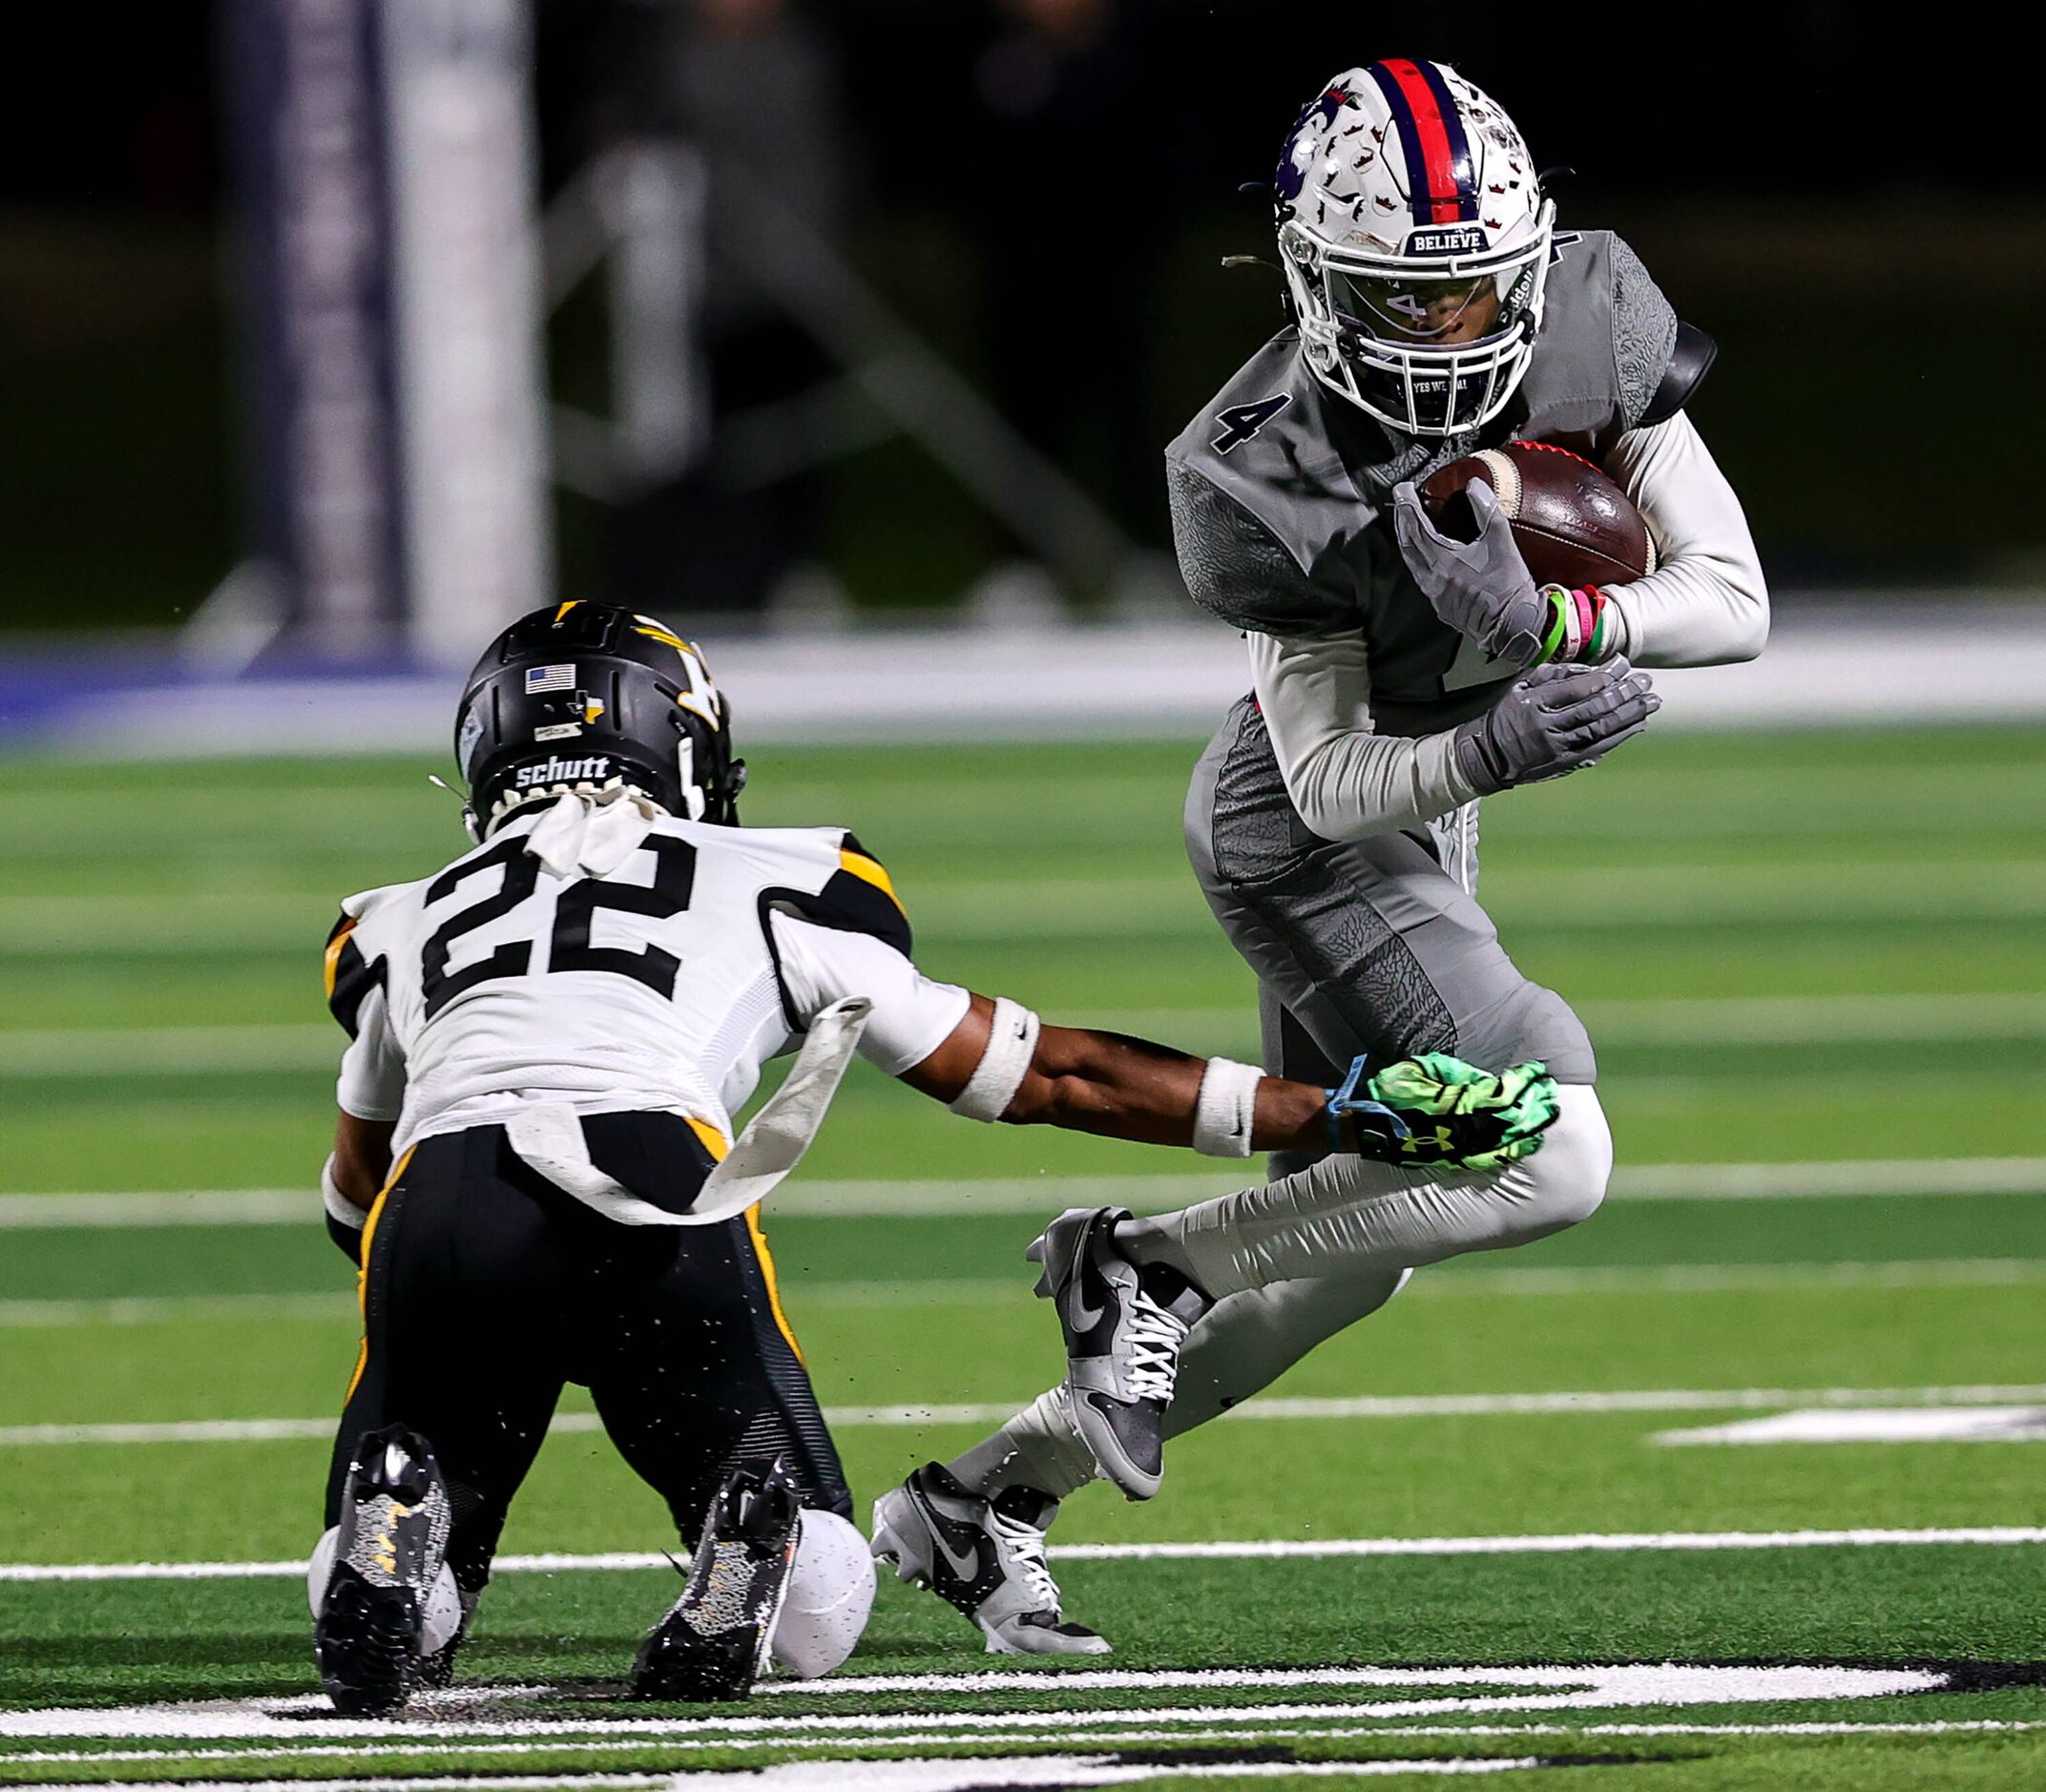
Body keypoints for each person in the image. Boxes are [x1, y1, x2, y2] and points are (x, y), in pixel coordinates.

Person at [879, 57, 1766, 1650]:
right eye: (1400, 302)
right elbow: (1333, 780)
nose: (1449, 334)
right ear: (1312, 281)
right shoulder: (1255, 469)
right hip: (1302, 826)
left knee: (1357, 1255)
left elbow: (1736, 597)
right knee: (1551, 1140)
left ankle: (977, 1500)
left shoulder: (1591, 314)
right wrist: (1495, 733)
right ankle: (1145, 1258)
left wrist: (1562, 615)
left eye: (1474, 293)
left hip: (1420, 818)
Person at [306, 599, 1557, 1712]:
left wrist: (462, 1336)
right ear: (680, 741)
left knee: (404, 1559)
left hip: (443, 1204)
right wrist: (1332, 1112)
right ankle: (755, 1551)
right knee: (819, 1588)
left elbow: (355, 1194)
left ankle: (407, 1527)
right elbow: (1037, 1072)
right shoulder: (784, 873)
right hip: (656, 1196)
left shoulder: (390, 916)